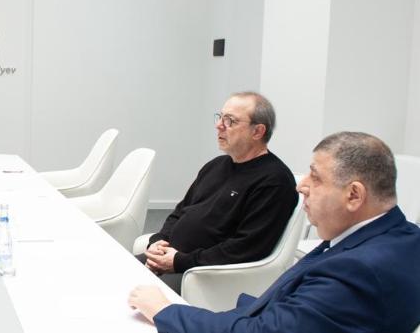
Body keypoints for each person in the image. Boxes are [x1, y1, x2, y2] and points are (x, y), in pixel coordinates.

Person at [129, 132, 420, 333]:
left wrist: (164, 311)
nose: (302, 185)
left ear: (354, 195)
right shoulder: (403, 237)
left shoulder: (356, 271)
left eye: (315, 177)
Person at [137, 92, 297, 293]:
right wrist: (158, 242)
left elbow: (246, 247)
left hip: (202, 276)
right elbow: (180, 212)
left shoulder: (274, 181)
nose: (219, 125)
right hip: (171, 260)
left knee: (127, 297)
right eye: (220, 117)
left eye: (230, 121)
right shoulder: (216, 165)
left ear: (257, 131)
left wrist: (179, 261)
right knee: (110, 273)